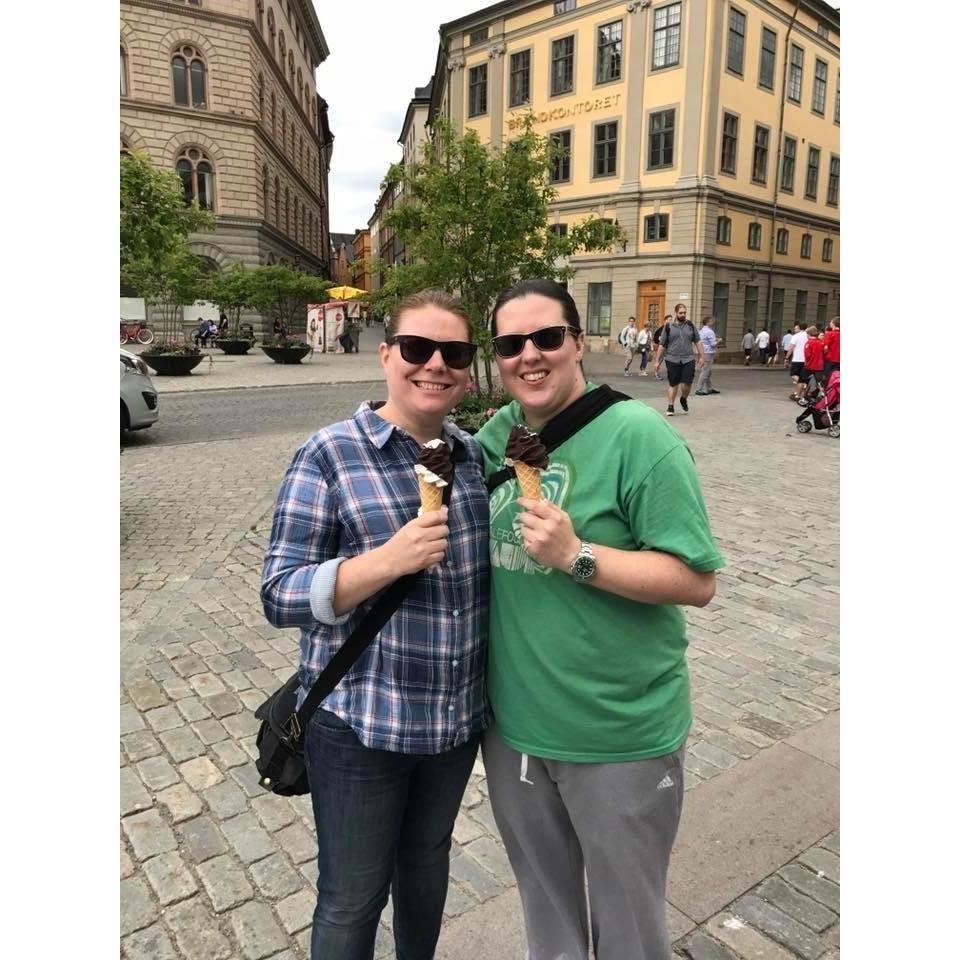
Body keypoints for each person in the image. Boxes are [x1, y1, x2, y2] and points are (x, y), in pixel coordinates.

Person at [474, 278, 724, 960]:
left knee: (629, 932)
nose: (530, 355)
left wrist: (577, 555)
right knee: (547, 916)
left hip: (619, 735)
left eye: (547, 337)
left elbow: (696, 580)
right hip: (516, 732)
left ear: (578, 343)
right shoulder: (497, 436)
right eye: (510, 343)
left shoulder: (640, 437)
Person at [261, 290, 490, 960]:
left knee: (425, 871)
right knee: (352, 898)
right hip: (361, 728)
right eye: (417, 349)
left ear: (468, 368)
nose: (435, 365)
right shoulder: (328, 456)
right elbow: (278, 593)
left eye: (454, 353)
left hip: (452, 728)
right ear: (386, 355)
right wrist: (382, 563)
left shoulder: (473, 460)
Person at [653, 303, 704, 416]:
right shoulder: (668, 327)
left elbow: (698, 341)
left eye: (685, 313)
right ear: (676, 313)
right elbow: (662, 345)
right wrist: (657, 361)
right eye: (681, 313)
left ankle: (683, 398)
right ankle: (670, 406)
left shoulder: (690, 325)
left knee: (687, 383)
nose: (683, 315)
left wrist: (702, 356)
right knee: (673, 383)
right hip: (672, 358)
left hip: (688, 359)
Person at [695, 316, 722, 396]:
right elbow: (713, 344)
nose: (713, 322)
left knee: (708, 371)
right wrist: (719, 341)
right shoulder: (710, 331)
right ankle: (699, 389)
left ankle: (709, 388)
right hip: (708, 353)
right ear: (708, 322)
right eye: (712, 321)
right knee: (705, 371)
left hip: (703, 351)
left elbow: (703, 340)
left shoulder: (701, 330)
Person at [786, 323, 808, 401]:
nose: (794, 330)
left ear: (799, 328)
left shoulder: (796, 336)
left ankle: (803, 385)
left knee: (793, 374)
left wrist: (787, 357)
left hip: (797, 359)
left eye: (795, 329)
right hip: (806, 360)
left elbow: (791, 348)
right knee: (802, 376)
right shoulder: (808, 336)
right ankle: (798, 393)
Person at [802, 324, 826, 391]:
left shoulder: (808, 343)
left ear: (809, 334)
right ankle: (823, 395)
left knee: (805, 381)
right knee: (819, 382)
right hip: (819, 366)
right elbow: (824, 352)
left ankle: (804, 396)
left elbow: (807, 355)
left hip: (810, 365)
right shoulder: (821, 342)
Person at [652, 316, 670, 380]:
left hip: (669, 348)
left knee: (670, 361)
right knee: (659, 361)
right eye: (669, 320)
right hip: (662, 348)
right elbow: (655, 338)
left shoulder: (671, 329)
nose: (670, 321)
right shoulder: (660, 329)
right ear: (665, 321)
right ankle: (656, 373)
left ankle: (671, 374)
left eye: (671, 320)